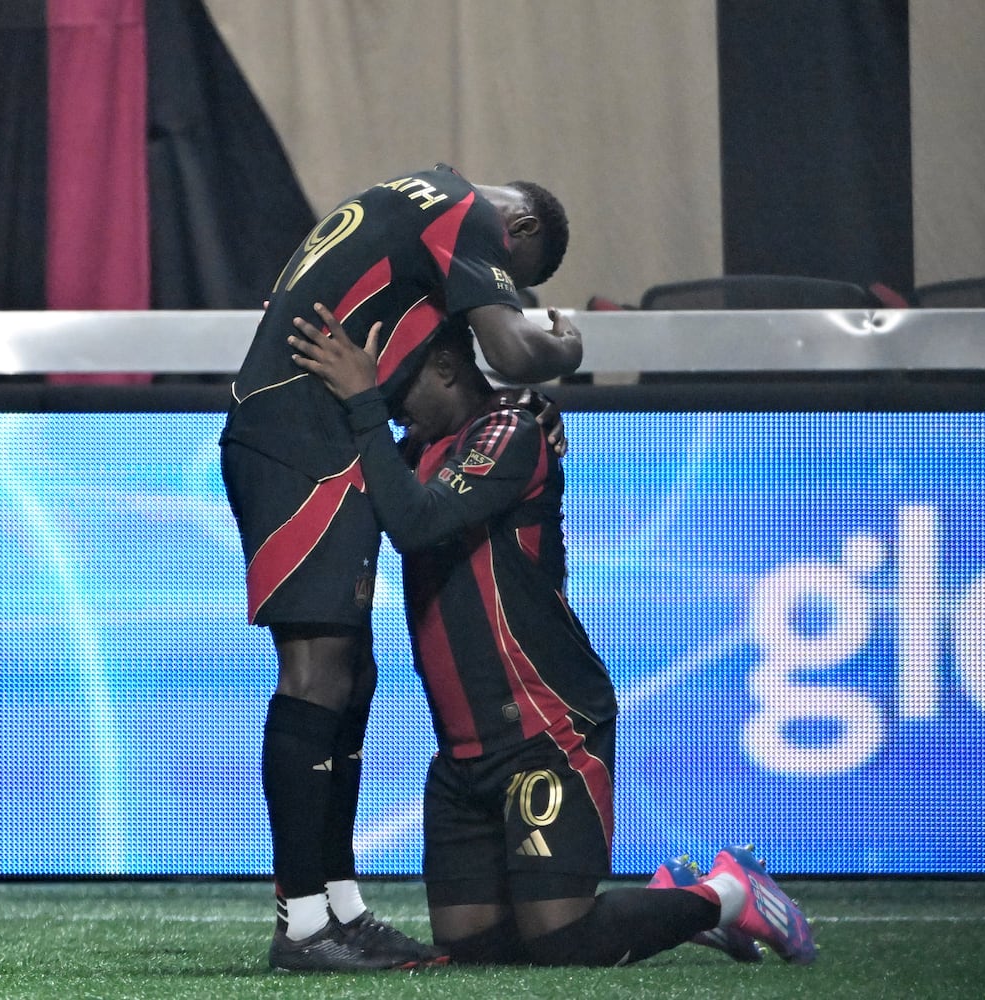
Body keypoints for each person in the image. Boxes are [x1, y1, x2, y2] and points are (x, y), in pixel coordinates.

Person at [287, 307, 819, 968]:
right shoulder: (417, 446)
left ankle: (725, 895)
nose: (393, 408)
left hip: (545, 726)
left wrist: (366, 400)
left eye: (399, 389)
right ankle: (668, 907)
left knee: (560, 937)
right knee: (474, 949)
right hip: (462, 748)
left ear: (447, 368)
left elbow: (417, 524)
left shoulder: (508, 432)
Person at [220, 163, 584, 971]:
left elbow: (453, 367)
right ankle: (304, 924)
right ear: (517, 232)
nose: (489, 294)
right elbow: (514, 352)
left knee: (351, 674)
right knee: (315, 673)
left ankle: (337, 908)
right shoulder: (462, 212)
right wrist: (570, 341)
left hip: (324, 439)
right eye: (509, 282)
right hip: (298, 441)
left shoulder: (410, 206)